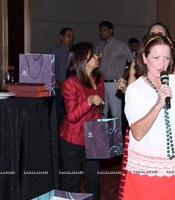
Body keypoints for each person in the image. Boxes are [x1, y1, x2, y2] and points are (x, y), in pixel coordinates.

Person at [123, 34, 175, 199]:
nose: (162, 64)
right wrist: (158, 104)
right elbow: (137, 132)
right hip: (148, 168)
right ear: (144, 58)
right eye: (156, 58)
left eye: (167, 58)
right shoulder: (134, 90)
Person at [59, 42, 104, 200]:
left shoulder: (99, 79)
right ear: (81, 60)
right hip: (73, 138)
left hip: (93, 137)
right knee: (73, 182)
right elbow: (71, 116)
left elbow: (99, 108)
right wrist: (89, 100)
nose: (96, 57)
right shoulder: (70, 83)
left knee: (93, 180)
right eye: (91, 56)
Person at [95, 21, 133, 122]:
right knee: (102, 111)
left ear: (111, 31)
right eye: (100, 31)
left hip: (115, 83)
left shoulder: (121, 46)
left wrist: (123, 76)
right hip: (101, 83)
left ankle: (117, 137)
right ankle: (103, 136)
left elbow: (132, 62)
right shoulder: (100, 47)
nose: (102, 33)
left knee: (115, 113)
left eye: (104, 30)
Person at [50, 27, 74, 127]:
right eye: (68, 36)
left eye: (72, 36)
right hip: (59, 88)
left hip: (70, 88)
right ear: (61, 37)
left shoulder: (72, 52)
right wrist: (56, 83)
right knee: (60, 114)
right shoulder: (55, 51)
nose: (71, 39)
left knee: (68, 113)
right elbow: (50, 69)